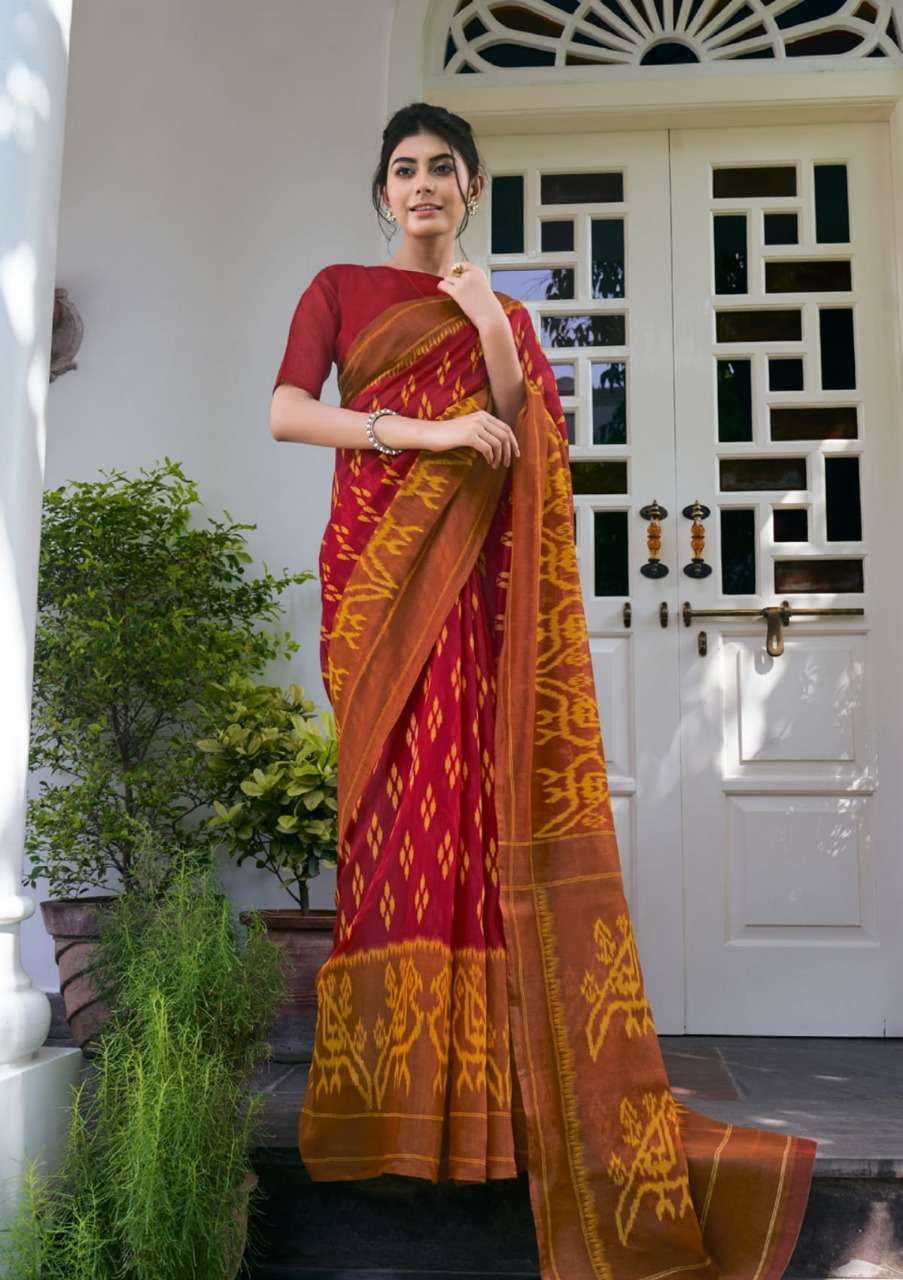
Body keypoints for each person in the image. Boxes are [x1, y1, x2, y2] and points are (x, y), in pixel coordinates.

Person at [270, 101, 816, 1280]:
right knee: (391, 826)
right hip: (381, 594)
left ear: (472, 187)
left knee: (472, 824)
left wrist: (485, 319)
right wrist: (420, 432)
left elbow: (521, 436)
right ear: (384, 189)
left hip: (475, 603)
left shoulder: (499, 309)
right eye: (405, 168)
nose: (423, 184)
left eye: (443, 168)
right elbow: (287, 411)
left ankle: (486, 1095)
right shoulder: (339, 289)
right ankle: (391, 1100)